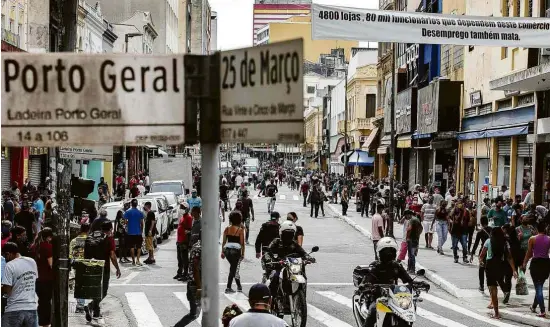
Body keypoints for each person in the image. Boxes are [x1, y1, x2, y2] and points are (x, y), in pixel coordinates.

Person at [359, 237, 414, 327]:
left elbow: (408, 280)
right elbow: (367, 279)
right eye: (386, 251)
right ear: (380, 252)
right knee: (373, 311)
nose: (389, 254)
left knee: (406, 313)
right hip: (378, 296)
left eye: (391, 251)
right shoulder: (375, 266)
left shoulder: (397, 266)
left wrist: (416, 284)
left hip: (395, 296)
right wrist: (366, 285)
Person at [264, 221, 314, 298]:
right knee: (275, 277)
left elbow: (302, 252)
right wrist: (269, 259)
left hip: (292, 267)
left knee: (303, 275)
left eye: (290, 234)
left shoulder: (294, 244)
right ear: (281, 233)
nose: (288, 236)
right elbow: (268, 252)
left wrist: (308, 258)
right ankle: (273, 298)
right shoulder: (276, 242)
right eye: (286, 233)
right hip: (279, 266)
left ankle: (301, 295)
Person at [84, 221, 121, 322]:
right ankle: (91, 306)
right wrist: (117, 268)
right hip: (103, 268)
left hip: (90, 267)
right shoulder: (109, 239)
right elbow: (112, 256)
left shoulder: (92, 237)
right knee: (103, 291)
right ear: (110, 229)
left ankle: (95, 311)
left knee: (95, 290)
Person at [479, 227, 518, 319]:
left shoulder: (488, 241)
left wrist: (481, 261)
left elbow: (482, 255)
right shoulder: (505, 242)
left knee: (493, 289)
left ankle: (496, 313)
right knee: (499, 282)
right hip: (500, 266)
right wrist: (514, 270)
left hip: (490, 266)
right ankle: (504, 292)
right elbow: (509, 257)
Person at [1, 242, 38, 327]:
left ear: (8, 254)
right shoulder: (32, 262)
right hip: (31, 309)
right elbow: (33, 280)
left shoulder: (9, 265)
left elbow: (7, 290)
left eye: (5, 256)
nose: (5, 259)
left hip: (14, 309)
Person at [522, 220, 550, 318]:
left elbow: (529, 253)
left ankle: (542, 310)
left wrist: (524, 263)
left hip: (536, 264)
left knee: (538, 288)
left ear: (537, 229)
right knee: (539, 286)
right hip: (546, 264)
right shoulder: (549, 239)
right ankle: (534, 306)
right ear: (545, 229)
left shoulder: (532, 239)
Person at [31, 228, 54, 327]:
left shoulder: (34, 246)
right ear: (49, 237)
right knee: (45, 302)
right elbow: (51, 264)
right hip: (46, 279)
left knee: (41, 301)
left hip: (36, 278)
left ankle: (40, 321)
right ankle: (44, 323)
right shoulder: (48, 247)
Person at [221, 211, 245, 293]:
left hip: (227, 250)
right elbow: (242, 243)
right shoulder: (240, 230)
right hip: (236, 251)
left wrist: (222, 252)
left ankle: (239, 286)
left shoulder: (227, 228)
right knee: (233, 269)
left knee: (233, 268)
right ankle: (229, 287)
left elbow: (224, 242)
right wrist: (243, 254)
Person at [69, 223, 90, 312]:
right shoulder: (90, 240)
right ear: (88, 230)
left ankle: (81, 304)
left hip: (78, 265)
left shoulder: (75, 240)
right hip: (89, 264)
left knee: (79, 284)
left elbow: (70, 255)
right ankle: (88, 305)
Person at [470, 216, 492, 293]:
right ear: (487, 222)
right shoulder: (492, 230)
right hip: (491, 251)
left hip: (483, 251)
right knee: (489, 269)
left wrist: (472, 253)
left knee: (481, 269)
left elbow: (476, 243)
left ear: (481, 223)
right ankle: (490, 285)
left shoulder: (480, 232)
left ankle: (481, 286)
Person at [123, 199, 145, 266]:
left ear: (131, 204)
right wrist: (141, 230)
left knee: (131, 247)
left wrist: (128, 223)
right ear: (137, 204)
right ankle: (138, 260)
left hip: (130, 232)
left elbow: (125, 222)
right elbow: (142, 223)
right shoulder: (140, 213)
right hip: (138, 232)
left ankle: (133, 261)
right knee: (139, 247)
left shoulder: (127, 212)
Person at [175, 203, 193, 281]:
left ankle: (185, 274)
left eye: (183, 207)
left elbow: (190, 229)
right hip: (179, 240)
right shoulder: (182, 217)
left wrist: (188, 241)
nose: (181, 209)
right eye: (181, 207)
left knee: (184, 259)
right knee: (179, 258)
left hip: (184, 241)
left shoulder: (189, 217)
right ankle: (180, 272)